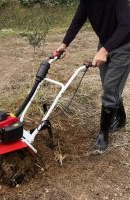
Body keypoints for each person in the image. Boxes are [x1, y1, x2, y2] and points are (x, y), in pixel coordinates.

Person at [56, 0, 130, 150]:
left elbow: (126, 25)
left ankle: (104, 134)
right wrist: (64, 44)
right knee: (108, 85)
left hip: (124, 46)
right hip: (105, 43)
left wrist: (105, 50)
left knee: (110, 87)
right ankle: (121, 118)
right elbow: (79, 18)